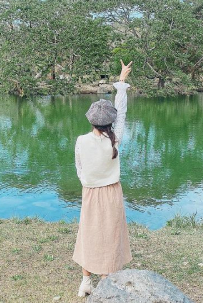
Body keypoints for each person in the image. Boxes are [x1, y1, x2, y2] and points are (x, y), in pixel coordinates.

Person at [72, 59, 133, 297]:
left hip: (90, 191)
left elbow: (79, 168)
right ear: (111, 121)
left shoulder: (81, 140)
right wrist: (121, 82)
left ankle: (86, 282)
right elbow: (123, 113)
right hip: (111, 191)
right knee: (110, 233)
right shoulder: (114, 139)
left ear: (91, 120)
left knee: (88, 233)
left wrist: (88, 182)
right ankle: (106, 282)